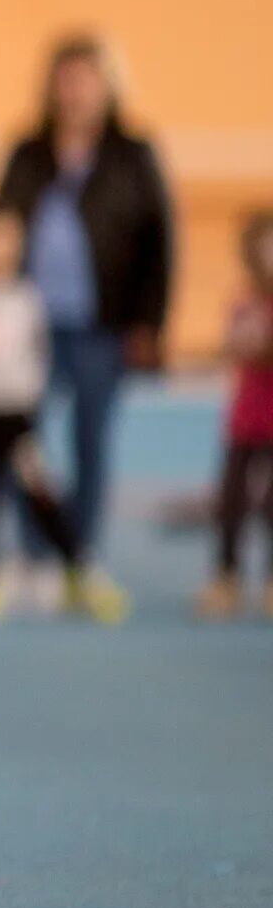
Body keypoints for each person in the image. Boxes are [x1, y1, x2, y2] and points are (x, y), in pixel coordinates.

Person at [0, 33, 174, 597]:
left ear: (107, 86)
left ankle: (80, 554)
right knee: (20, 439)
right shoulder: (27, 152)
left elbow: (158, 241)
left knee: (90, 439)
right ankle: (35, 548)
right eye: (63, 79)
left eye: (84, 79)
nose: (72, 91)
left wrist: (149, 322)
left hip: (102, 321)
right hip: (29, 323)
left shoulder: (132, 154)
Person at [0, 207, 127, 625]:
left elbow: (40, 358)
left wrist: (34, 407)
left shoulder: (27, 301)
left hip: (17, 418)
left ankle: (79, 568)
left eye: (2, 243)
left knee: (41, 495)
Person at [197, 212, 273, 620]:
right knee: (231, 502)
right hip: (246, 419)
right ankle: (226, 575)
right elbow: (236, 348)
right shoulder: (243, 302)